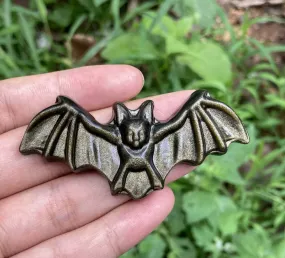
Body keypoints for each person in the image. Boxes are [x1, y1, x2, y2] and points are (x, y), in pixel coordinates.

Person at [0, 65, 193, 258]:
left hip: (148, 174)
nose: (135, 139)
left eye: (139, 134)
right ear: (122, 130)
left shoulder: (160, 135)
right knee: (72, 114)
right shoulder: (108, 137)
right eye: (131, 134)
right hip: (121, 176)